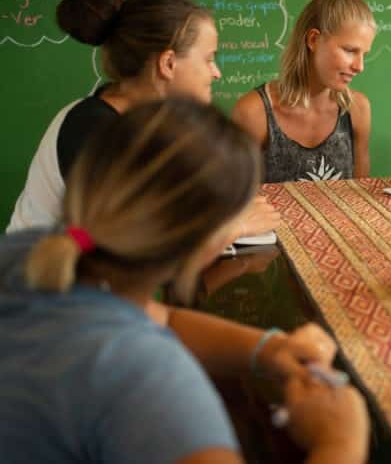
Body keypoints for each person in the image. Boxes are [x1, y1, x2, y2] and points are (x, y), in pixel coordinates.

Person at [0, 98, 370, 463]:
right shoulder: (151, 379)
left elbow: (162, 317)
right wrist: (340, 442)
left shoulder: (30, 252)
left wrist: (269, 350)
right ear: (208, 242)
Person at [7, 0, 279, 236]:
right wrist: (233, 226)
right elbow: (137, 241)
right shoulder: (92, 130)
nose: (216, 73)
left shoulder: (144, 121)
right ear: (168, 64)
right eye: (209, 59)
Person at [232, 0, 375, 183]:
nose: (360, 66)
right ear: (313, 40)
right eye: (350, 50)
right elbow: (236, 200)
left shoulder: (358, 109)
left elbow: (359, 192)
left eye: (364, 54)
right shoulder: (253, 113)